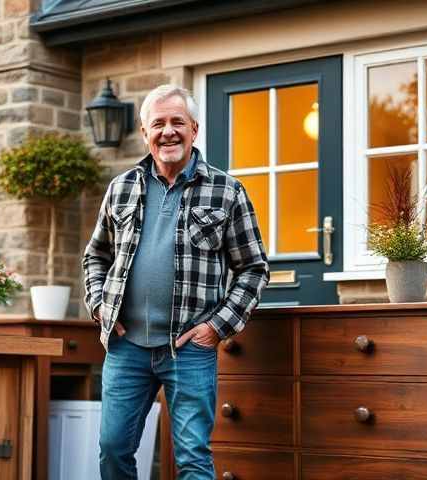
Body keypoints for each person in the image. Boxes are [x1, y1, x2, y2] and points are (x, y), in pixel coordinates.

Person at [82, 84, 269, 480]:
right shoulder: (121, 188)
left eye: (177, 122)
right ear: (145, 131)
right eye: (159, 124)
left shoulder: (227, 191)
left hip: (189, 348)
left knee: (192, 459)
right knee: (113, 450)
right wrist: (100, 306)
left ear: (194, 130)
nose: (168, 131)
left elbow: (253, 268)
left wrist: (215, 327)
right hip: (126, 346)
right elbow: (95, 256)